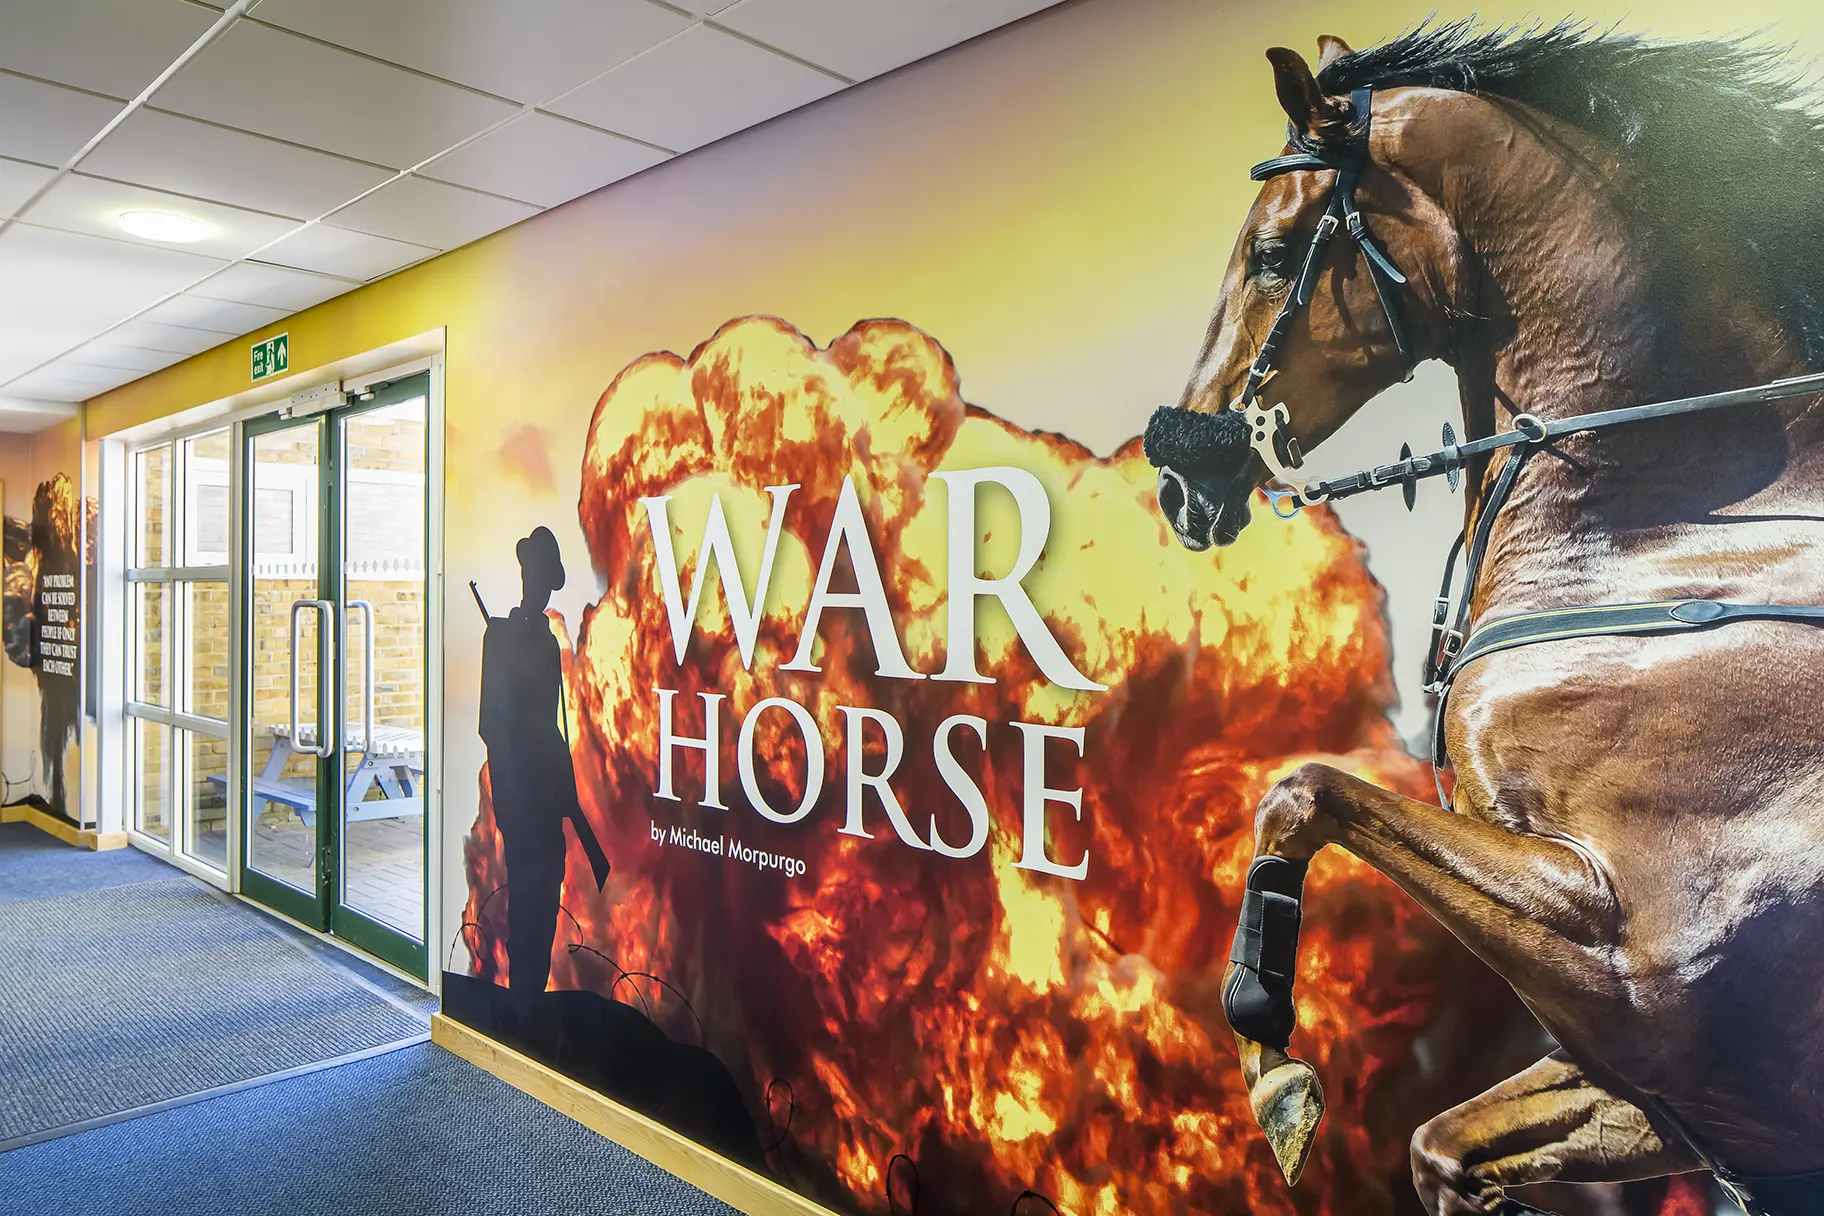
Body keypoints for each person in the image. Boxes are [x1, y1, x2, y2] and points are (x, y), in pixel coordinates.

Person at [477, 526, 610, 994]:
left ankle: (531, 997)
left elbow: (556, 727)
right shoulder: (500, 638)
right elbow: (490, 724)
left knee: (547, 893)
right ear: (524, 573)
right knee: (526, 905)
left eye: (544, 576)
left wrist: (567, 796)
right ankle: (521, 1001)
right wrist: (510, 798)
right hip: (521, 798)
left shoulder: (547, 644)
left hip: (548, 793)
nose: (537, 583)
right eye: (532, 571)